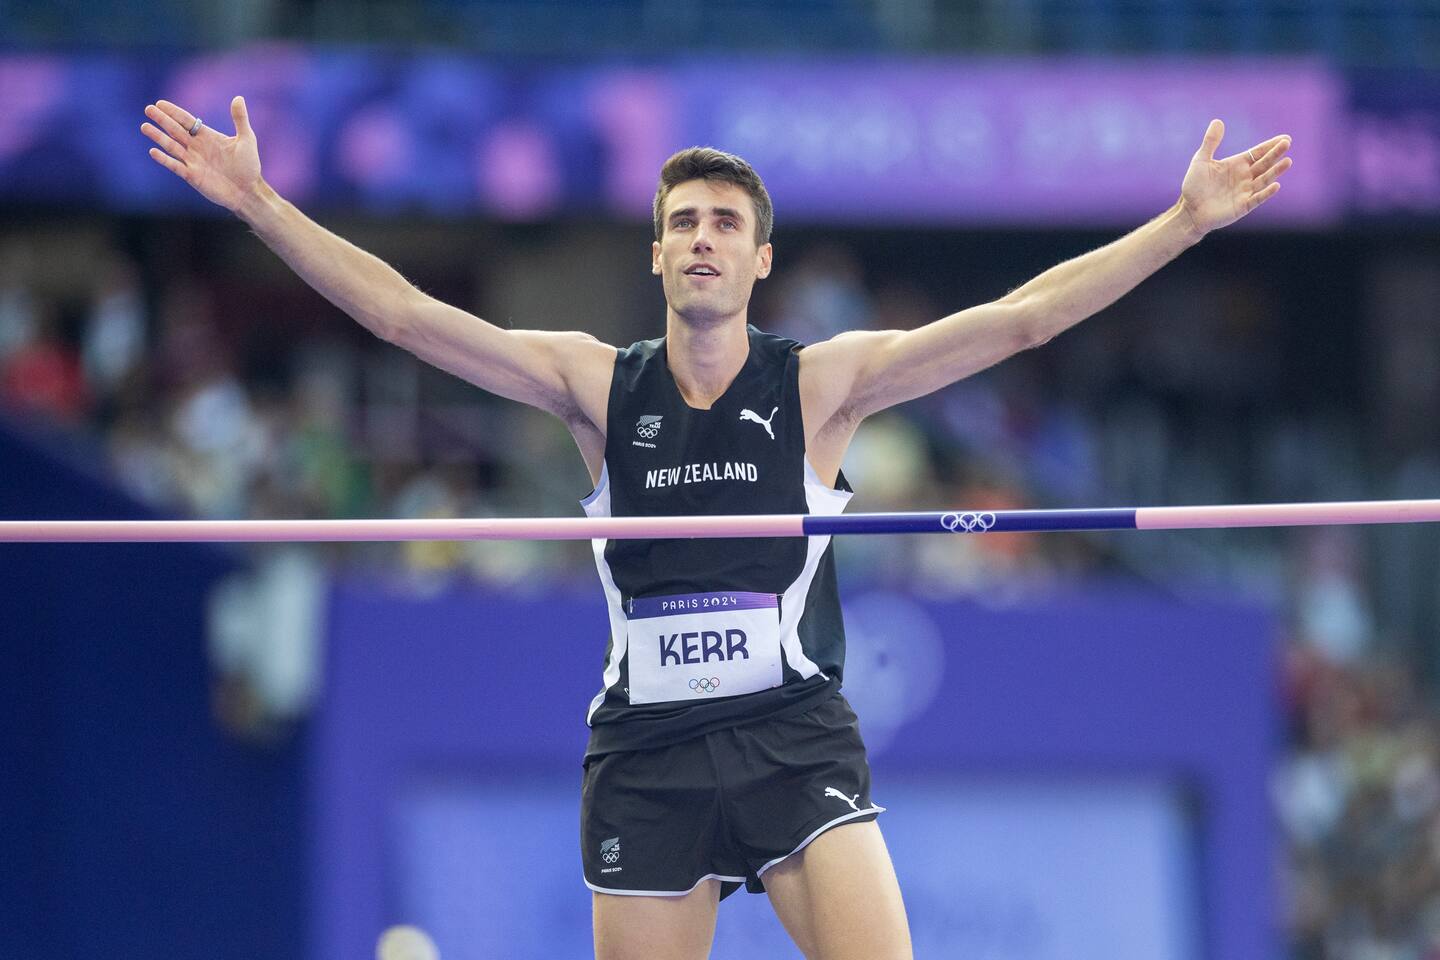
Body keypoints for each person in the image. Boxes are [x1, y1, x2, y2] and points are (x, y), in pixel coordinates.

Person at [142, 96, 1292, 960]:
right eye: (682, 220)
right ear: (655, 252)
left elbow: (1024, 323)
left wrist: (1183, 224)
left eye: (724, 222)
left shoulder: (821, 387)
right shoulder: (595, 385)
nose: (702, 236)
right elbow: (401, 316)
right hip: (648, 752)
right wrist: (258, 203)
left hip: (793, 736)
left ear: (759, 258)